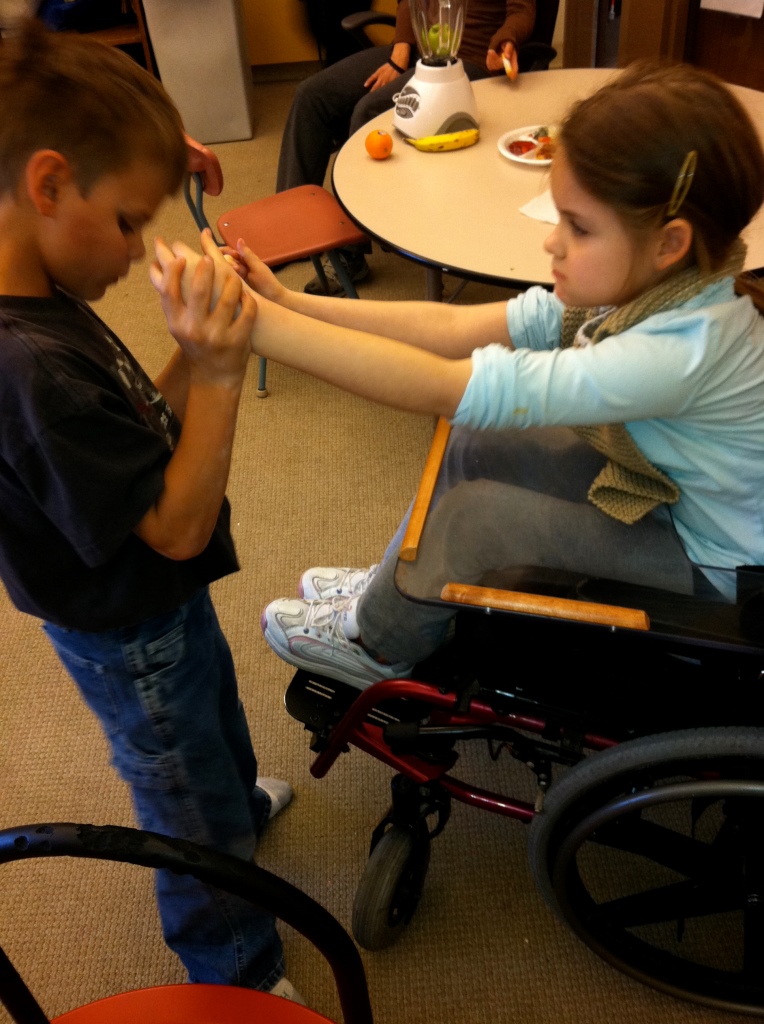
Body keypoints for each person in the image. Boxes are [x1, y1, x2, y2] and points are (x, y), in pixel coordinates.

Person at [153, 62, 764, 691]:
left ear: (669, 243)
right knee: (475, 444)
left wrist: (256, 330)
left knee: (478, 519)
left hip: (719, 578)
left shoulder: (681, 349)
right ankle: (394, 588)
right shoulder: (655, 289)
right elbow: (454, 330)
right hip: (675, 499)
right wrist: (289, 303)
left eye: (578, 227)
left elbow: (447, 383)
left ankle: (380, 643)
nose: (553, 244)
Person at [0, 21, 298, 999]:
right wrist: (216, 368)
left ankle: (237, 809)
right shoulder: (30, 367)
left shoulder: (35, 286)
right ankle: (240, 978)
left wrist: (192, 337)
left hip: (156, 596)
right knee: (184, 804)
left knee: (212, 708)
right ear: (48, 185)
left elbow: (135, 427)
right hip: (123, 621)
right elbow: (171, 523)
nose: (138, 249)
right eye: (129, 219)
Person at [276, 0, 536, 296]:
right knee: (312, 95)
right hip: (416, 53)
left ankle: (351, 255)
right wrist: (399, 55)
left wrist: (506, 39)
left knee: (367, 114)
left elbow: (522, 11)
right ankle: (289, 228)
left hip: (469, 62)